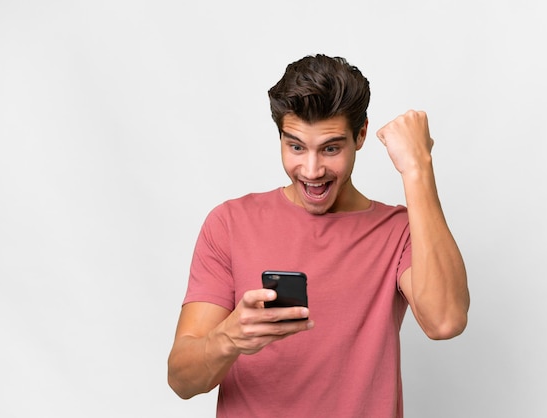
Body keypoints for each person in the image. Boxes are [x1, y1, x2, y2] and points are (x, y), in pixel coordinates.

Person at [167, 54, 469, 417]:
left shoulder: (398, 231)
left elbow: (445, 321)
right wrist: (229, 337)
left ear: (360, 136)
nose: (312, 170)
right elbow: (182, 380)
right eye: (296, 146)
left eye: (330, 148)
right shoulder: (229, 223)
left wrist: (417, 168)